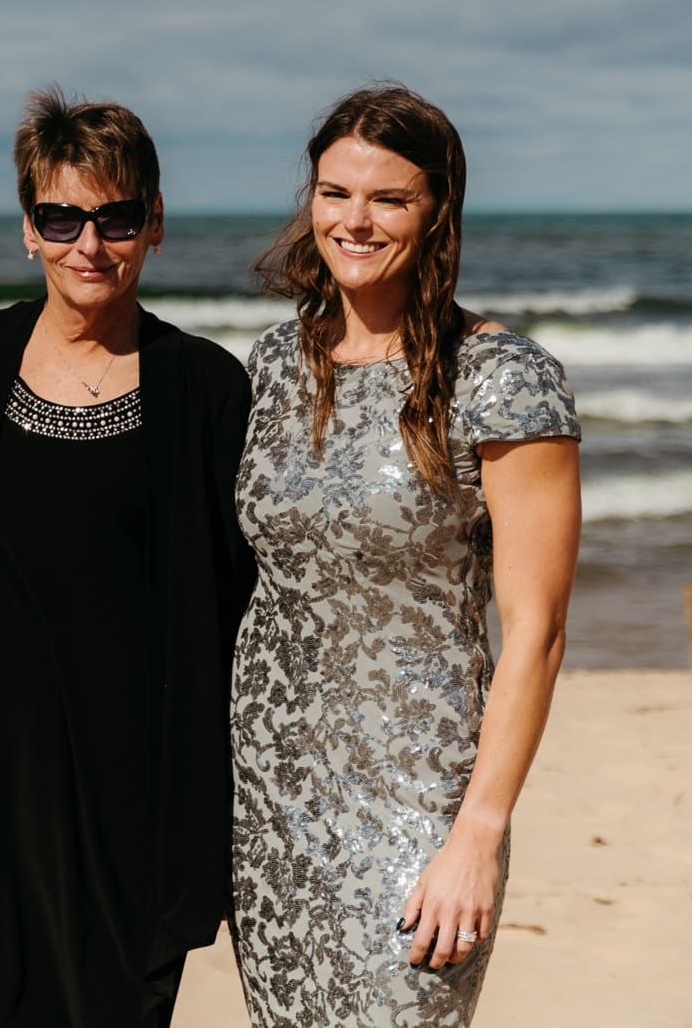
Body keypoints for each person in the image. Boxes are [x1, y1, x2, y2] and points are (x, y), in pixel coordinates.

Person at [229, 84, 582, 1026]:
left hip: (422, 801)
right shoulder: (272, 365)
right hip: (270, 797)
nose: (355, 219)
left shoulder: (502, 377)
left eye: (389, 198)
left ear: (437, 212)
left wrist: (478, 829)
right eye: (334, 191)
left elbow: (538, 629)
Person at [0, 88, 256, 1027]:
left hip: (128, 810)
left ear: (155, 225)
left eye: (116, 217)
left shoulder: (205, 388)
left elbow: (234, 602)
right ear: (28, 228)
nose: (88, 244)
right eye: (60, 216)